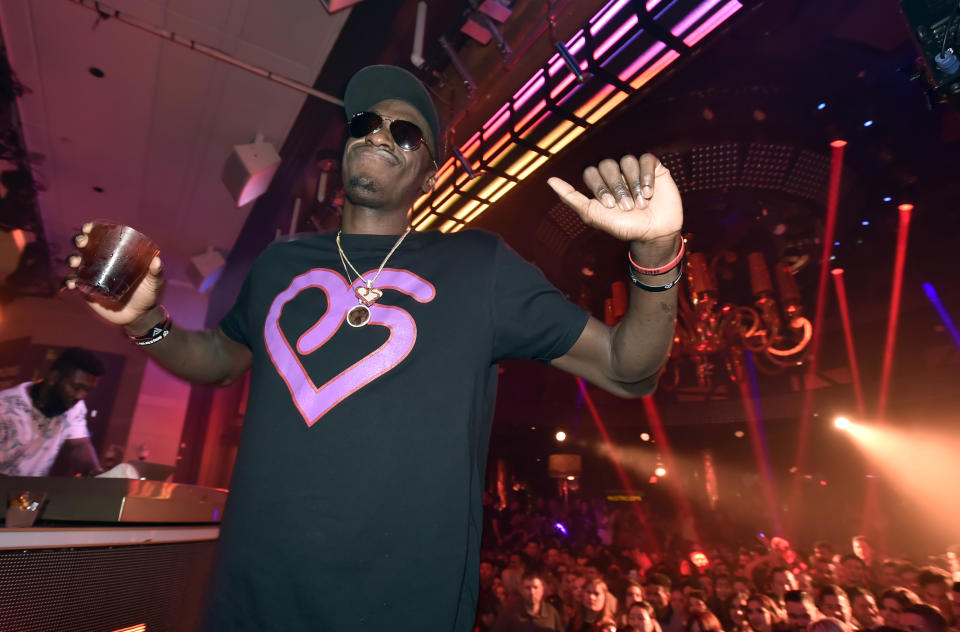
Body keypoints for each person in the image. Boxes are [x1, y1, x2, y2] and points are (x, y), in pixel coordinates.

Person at [66, 64, 684, 630]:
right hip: (253, 597)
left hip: (402, 606)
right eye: (365, 123)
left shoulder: (480, 267)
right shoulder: (282, 262)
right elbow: (222, 359)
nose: (380, 134)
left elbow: (629, 370)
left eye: (406, 133)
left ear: (429, 173)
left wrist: (656, 255)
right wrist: (145, 319)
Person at [0, 347, 104, 476]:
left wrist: (95, 474)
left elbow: (79, 446)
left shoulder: (75, 407)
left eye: (87, 390)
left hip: (31, 494)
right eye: (76, 387)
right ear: (54, 378)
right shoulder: (4, 407)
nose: (81, 396)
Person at [492, 572, 564, 632]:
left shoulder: (551, 612)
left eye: (535, 587)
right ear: (521, 589)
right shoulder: (509, 612)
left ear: (542, 589)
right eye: (528, 588)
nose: (532, 592)